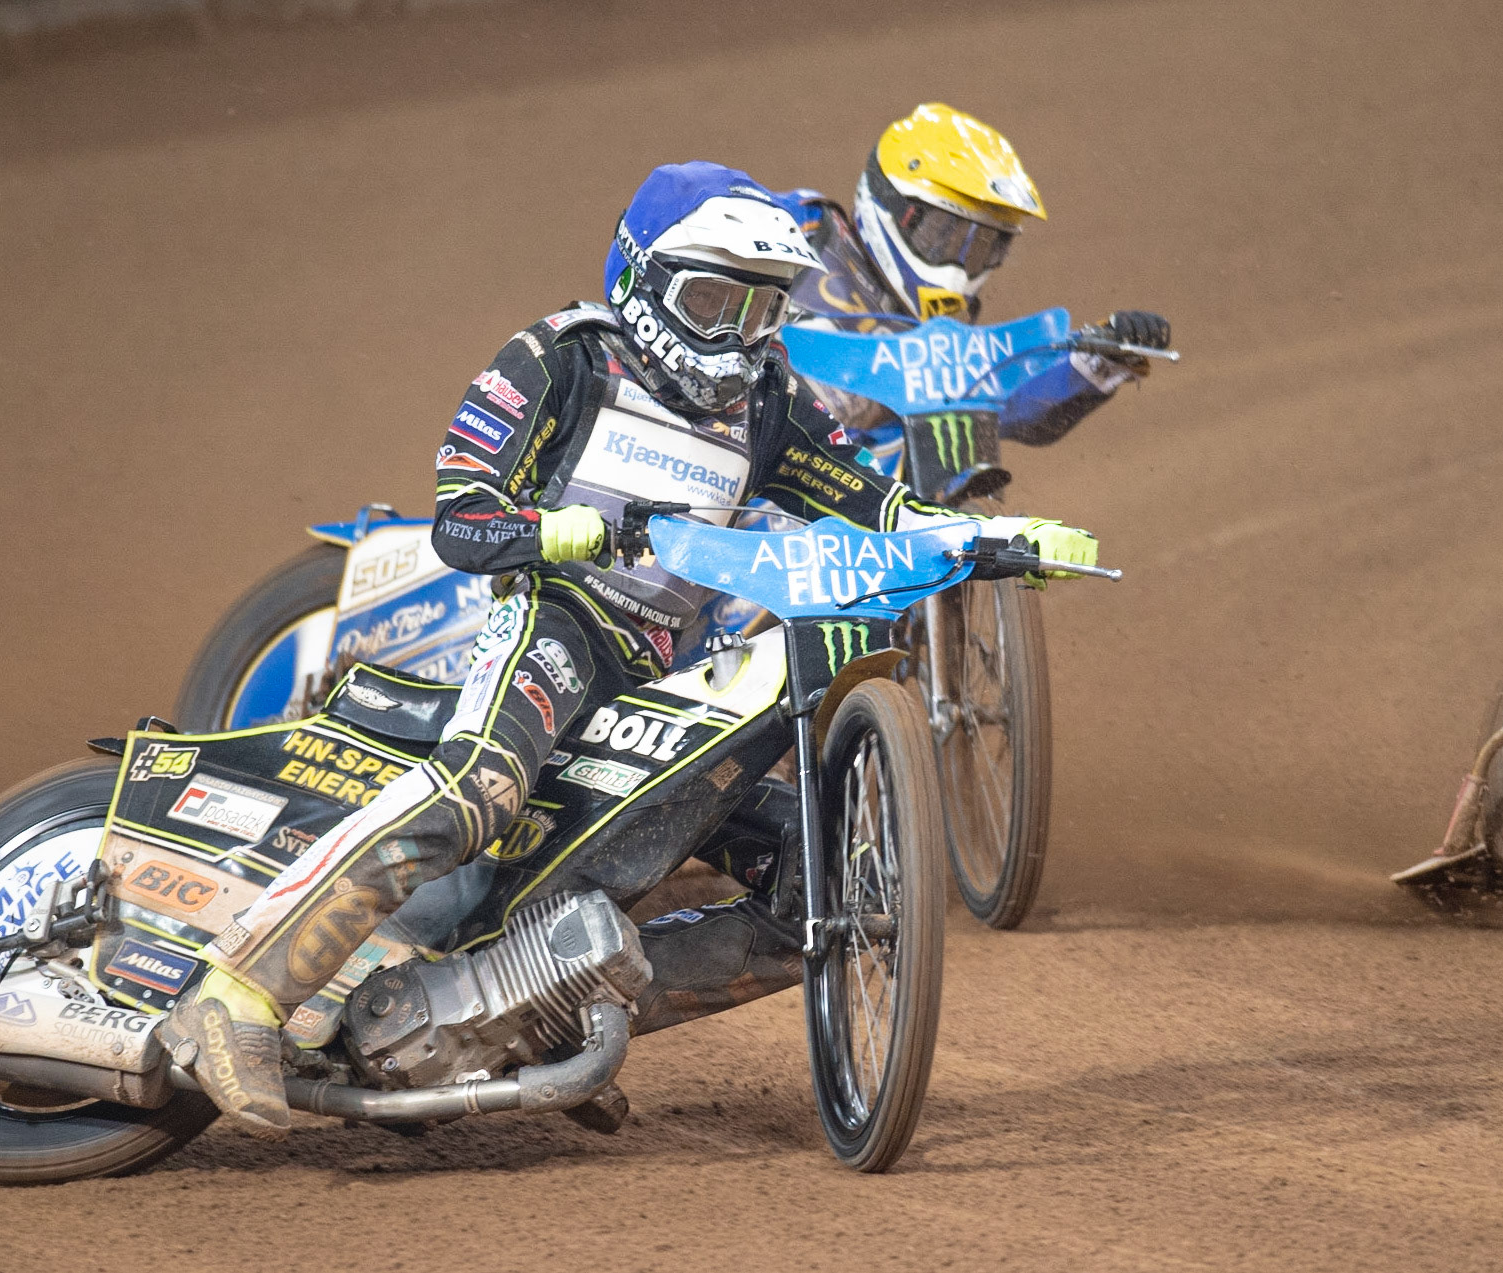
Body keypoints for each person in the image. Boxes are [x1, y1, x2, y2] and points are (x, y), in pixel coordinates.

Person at [162, 162, 1102, 1140]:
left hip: (674, 670)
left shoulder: (768, 392)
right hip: (558, 629)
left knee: (818, 876)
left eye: (759, 305)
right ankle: (234, 995)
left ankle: (536, 1019)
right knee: (473, 789)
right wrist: (554, 531)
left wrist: (995, 543)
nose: (734, 331)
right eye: (709, 298)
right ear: (643, 277)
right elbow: (461, 520)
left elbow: (874, 501)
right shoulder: (558, 358)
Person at [775, 102, 1170, 446]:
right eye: (945, 235)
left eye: (982, 246)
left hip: (832, 505)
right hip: (736, 449)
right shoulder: (806, 228)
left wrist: (1092, 364)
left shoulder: (945, 337)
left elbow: (1002, 402)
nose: (959, 264)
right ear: (897, 207)